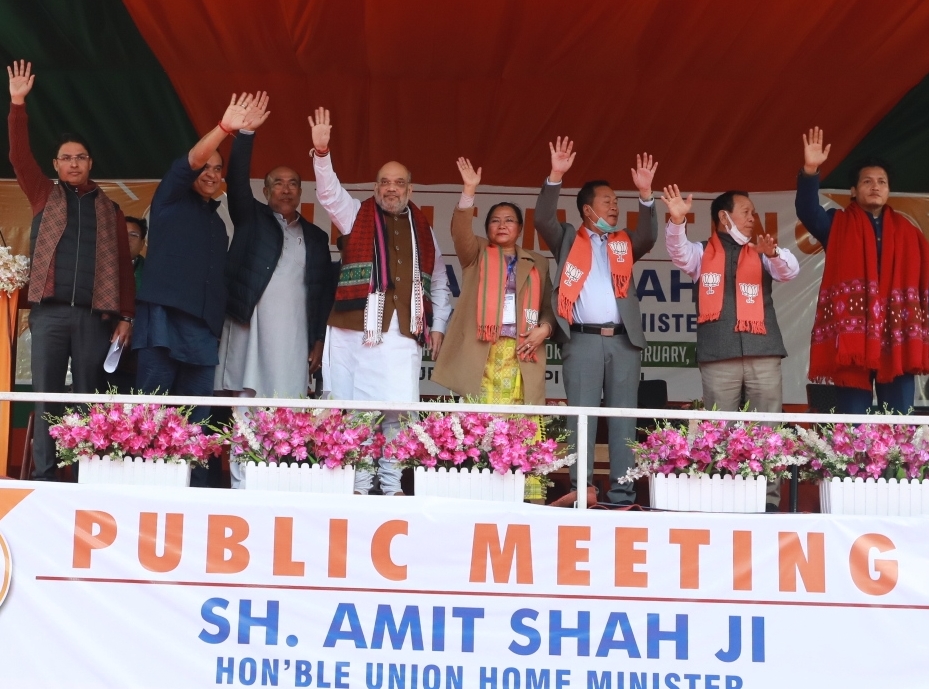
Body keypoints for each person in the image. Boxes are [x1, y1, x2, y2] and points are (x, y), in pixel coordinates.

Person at [309, 107, 451, 496]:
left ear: (410, 189)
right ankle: (358, 485)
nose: (391, 188)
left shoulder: (424, 229)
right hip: (356, 331)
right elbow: (328, 194)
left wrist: (437, 326)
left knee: (397, 412)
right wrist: (322, 154)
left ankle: (389, 488)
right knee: (357, 412)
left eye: (398, 182)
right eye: (384, 182)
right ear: (375, 188)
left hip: (402, 335)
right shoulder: (355, 214)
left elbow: (439, 281)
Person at [7, 60, 134, 480]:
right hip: (50, 314)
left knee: (87, 399)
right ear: (57, 165)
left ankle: (86, 478)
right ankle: (45, 479)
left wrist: (125, 317)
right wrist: (18, 103)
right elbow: (18, 155)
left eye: (80, 158)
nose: (74, 164)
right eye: (66, 158)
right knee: (46, 399)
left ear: (90, 163)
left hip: (93, 318)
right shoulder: (44, 193)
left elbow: (123, 266)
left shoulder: (110, 209)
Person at [134, 92, 269, 487]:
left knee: (197, 420)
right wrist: (226, 129)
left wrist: (245, 136)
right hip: (163, 317)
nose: (210, 173)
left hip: (203, 329)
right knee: (154, 409)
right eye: (205, 167)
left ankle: (193, 491)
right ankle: (143, 484)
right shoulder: (170, 197)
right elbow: (192, 159)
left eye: (218, 169)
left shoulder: (217, 221)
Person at [534, 137, 657, 505]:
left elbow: (649, 236)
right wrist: (556, 175)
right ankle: (581, 488)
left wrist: (646, 196)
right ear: (588, 210)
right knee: (581, 418)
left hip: (623, 341)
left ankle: (622, 491)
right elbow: (542, 218)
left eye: (618, 202)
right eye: (608, 201)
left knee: (623, 420)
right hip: (583, 341)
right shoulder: (568, 238)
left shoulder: (623, 242)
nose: (615, 207)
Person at [216, 108, 335, 488]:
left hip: (295, 338)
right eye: (277, 183)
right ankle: (240, 487)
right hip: (251, 331)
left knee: (289, 412)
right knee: (247, 410)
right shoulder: (251, 219)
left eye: (293, 183)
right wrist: (246, 135)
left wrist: (319, 339)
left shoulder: (316, 238)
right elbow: (235, 181)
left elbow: (320, 294)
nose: (285, 189)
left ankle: (283, 485)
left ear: (302, 192)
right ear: (265, 191)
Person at [663, 185, 800, 511]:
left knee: (767, 431)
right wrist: (676, 221)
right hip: (718, 356)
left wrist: (774, 254)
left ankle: (767, 503)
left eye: (753, 212)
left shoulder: (762, 253)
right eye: (747, 212)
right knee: (718, 432)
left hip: (762, 354)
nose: (753, 218)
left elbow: (790, 271)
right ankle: (720, 500)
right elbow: (677, 251)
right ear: (725, 217)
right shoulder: (700, 253)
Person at [796, 127, 929, 414]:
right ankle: (852, 462)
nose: (875, 186)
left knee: (898, 423)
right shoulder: (836, 224)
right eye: (867, 181)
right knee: (852, 424)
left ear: (889, 189)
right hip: (853, 336)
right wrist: (810, 171)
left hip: (896, 335)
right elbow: (807, 210)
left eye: (882, 181)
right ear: (854, 191)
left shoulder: (908, 231)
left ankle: (895, 462)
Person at [432, 157, 556, 403]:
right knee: (481, 425)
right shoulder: (476, 253)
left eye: (509, 220)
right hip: (483, 351)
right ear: (487, 227)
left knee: (518, 425)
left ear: (520, 229)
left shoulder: (538, 262)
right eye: (495, 220)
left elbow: (548, 307)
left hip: (521, 350)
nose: (502, 225)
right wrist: (469, 190)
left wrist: (546, 329)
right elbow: (460, 232)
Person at [125, 216, 146, 291]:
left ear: (142, 244)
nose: (127, 239)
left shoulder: (152, 272)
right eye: (122, 233)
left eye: (133, 235)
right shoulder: (96, 266)